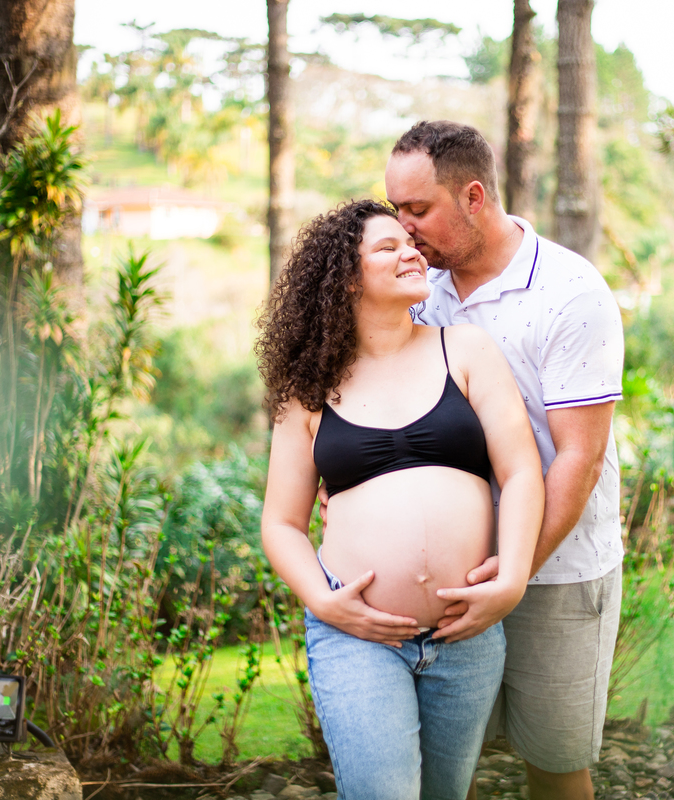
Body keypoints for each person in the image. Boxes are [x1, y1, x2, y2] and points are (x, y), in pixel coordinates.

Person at [256, 199, 545, 800]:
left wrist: (512, 578)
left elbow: (520, 472)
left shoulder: (464, 351)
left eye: (409, 243)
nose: (411, 251)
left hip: (464, 632)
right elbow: (282, 523)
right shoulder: (309, 389)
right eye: (387, 247)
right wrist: (323, 600)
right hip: (356, 637)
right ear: (343, 277)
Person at [385, 121, 625, 800]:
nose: (405, 231)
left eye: (418, 211)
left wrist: (515, 572)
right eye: (395, 210)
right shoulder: (417, 287)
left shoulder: (570, 293)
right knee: (436, 766)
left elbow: (578, 456)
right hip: (448, 569)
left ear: (473, 197)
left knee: (553, 765)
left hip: (558, 569)